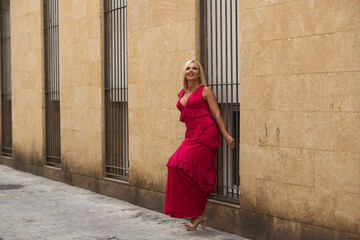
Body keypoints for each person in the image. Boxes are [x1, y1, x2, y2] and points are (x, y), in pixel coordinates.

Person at [164, 60, 235, 231]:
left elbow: (217, 114)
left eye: (194, 68)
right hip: (191, 135)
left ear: (199, 73)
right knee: (175, 166)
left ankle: (197, 215)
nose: (191, 70)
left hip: (206, 134)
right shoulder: (182, 92)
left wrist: (225, 135)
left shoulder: (205, 90)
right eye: (188, 68)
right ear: (185, 73)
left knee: (195, 172)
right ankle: (196, 214)